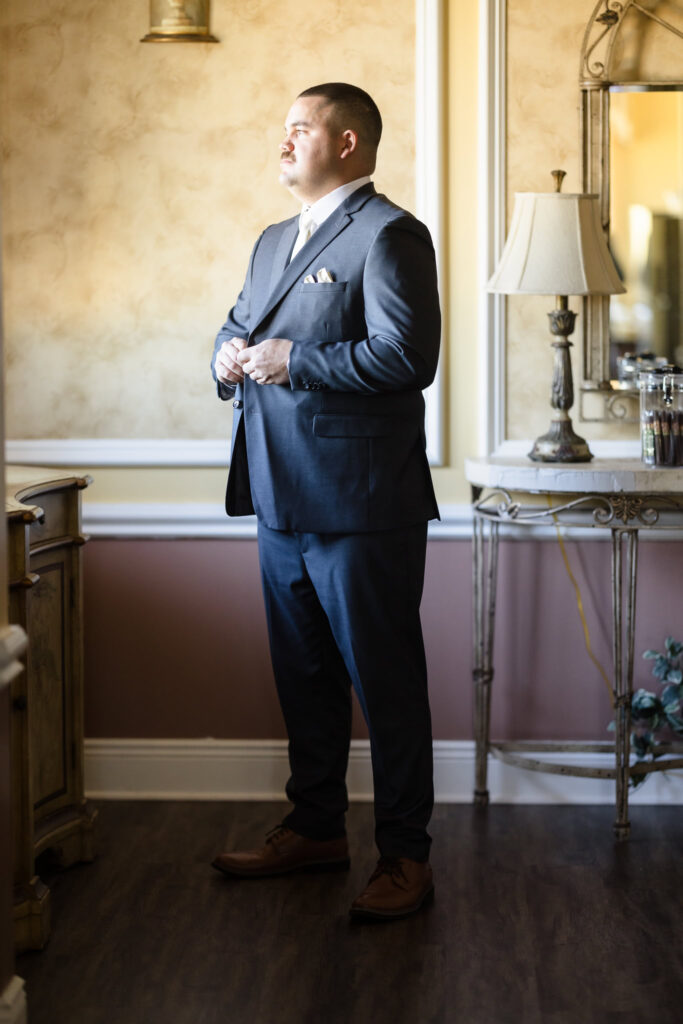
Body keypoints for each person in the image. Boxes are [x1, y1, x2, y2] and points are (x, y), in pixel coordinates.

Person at [210, 83, 440, 920]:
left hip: (362, 504)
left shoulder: (391, 234)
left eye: (299, 129)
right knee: (302, 678)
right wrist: (227, 358)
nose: (283, 140)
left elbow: (406, 358)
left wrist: (292, 360)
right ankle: (315, 829)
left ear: (346, 144)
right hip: (275, 494)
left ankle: (406, 857)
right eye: (283, 128)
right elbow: (233, 327)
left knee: (385, 685)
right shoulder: (272, 240)